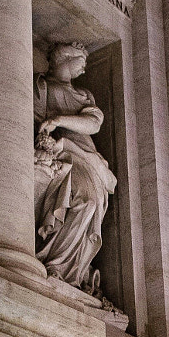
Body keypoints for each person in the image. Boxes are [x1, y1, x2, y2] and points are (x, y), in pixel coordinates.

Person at [33, 42, 117, 292]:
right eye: (80, 63)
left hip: (84, 153)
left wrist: (59, 119)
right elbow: (34, 119)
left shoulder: (84, 95)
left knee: (93, 204)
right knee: (87, 201)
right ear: (64, 59)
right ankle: (57, 264)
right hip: (61, 151)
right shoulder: (42, 86)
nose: (83, 70)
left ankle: (72, 269)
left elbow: (94, 123)